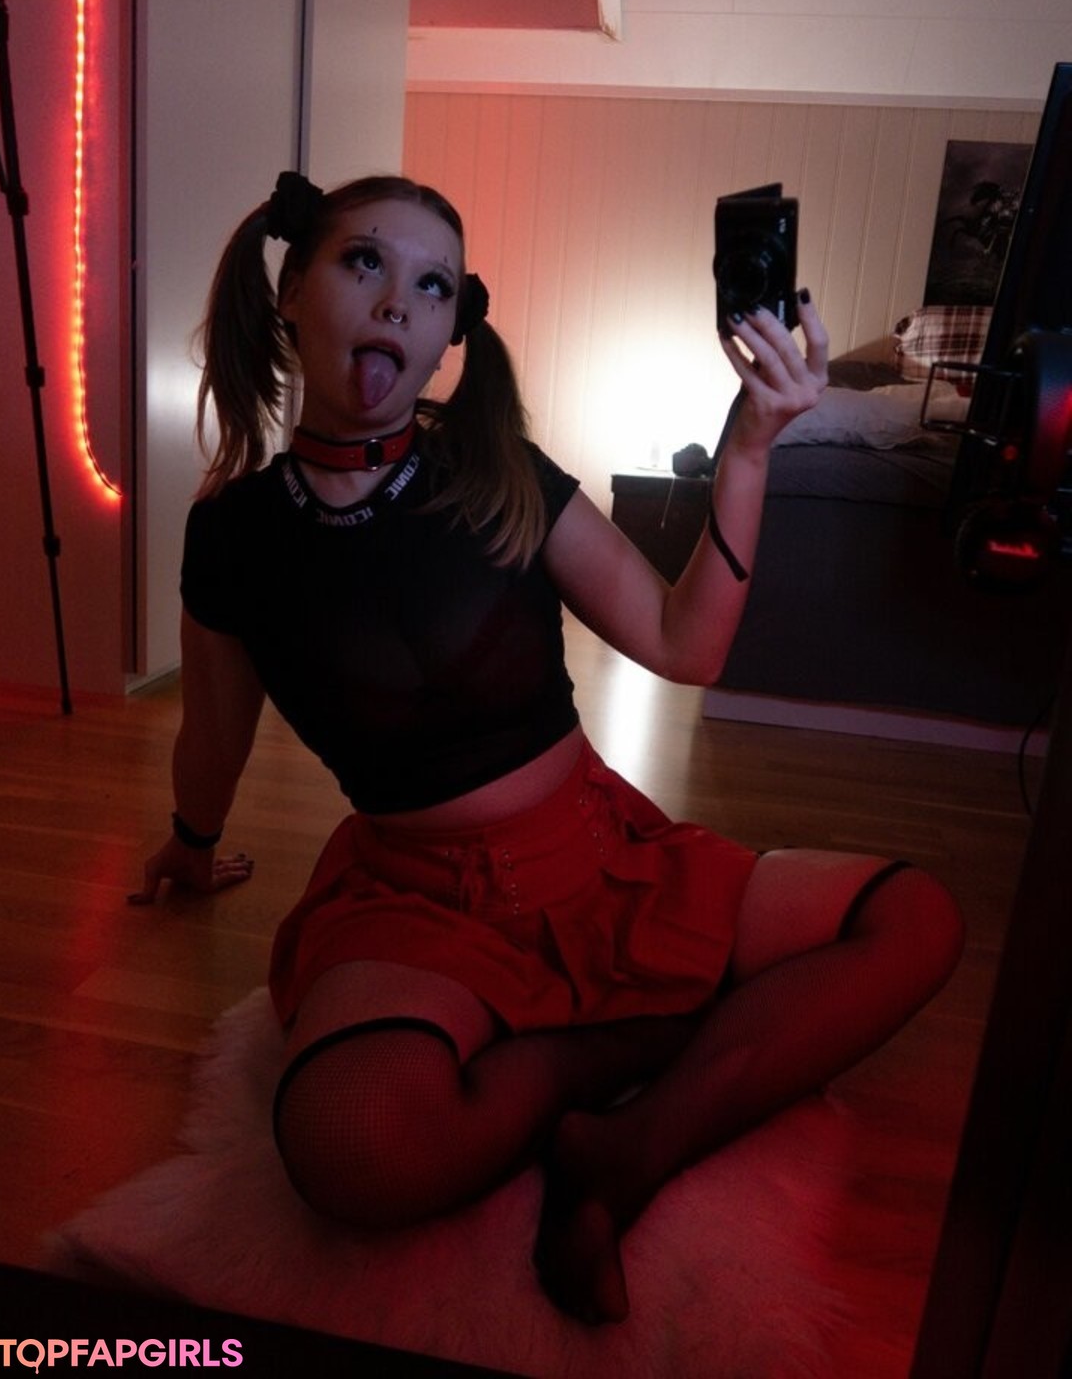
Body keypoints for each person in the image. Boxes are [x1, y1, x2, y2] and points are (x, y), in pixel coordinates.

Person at [130, 170, 964, 1326]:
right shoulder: (232, 534)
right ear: (291, 291)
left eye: (432, 287)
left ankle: (623, 1154)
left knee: (917, 921)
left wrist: (753, 446)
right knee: (349, 1146)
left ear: (447, 338)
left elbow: (685, 644)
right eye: (364, 262)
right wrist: (189, 840)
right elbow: (214, 736)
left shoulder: (504, 476)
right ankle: (643, 1041)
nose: (397, 301)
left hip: (600, 855)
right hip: (414, 899)